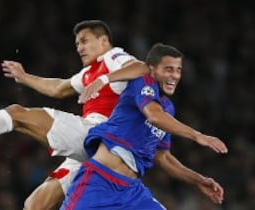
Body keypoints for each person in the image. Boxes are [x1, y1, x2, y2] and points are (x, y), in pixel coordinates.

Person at [0, 20, 149, 210]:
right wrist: (26, 77)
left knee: (17, 114)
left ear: (104, 40)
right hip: (93, 150)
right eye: (77, 43)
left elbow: (143, 67)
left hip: (104, 136)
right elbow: (59, 88)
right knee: (35, 205)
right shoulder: (90, 71)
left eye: (85, 41)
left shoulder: (114, 57)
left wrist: (105, 79)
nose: (79, 47)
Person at [60, 43, 227, 209]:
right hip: (99, 182)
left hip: (131, 192)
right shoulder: (142, 82)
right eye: (168, 69)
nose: (175, 75)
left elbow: (163, 158)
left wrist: (199, 180)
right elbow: (154, 116)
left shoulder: (167, 109)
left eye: (178, 70)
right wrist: (197, 135)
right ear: (151, 70)